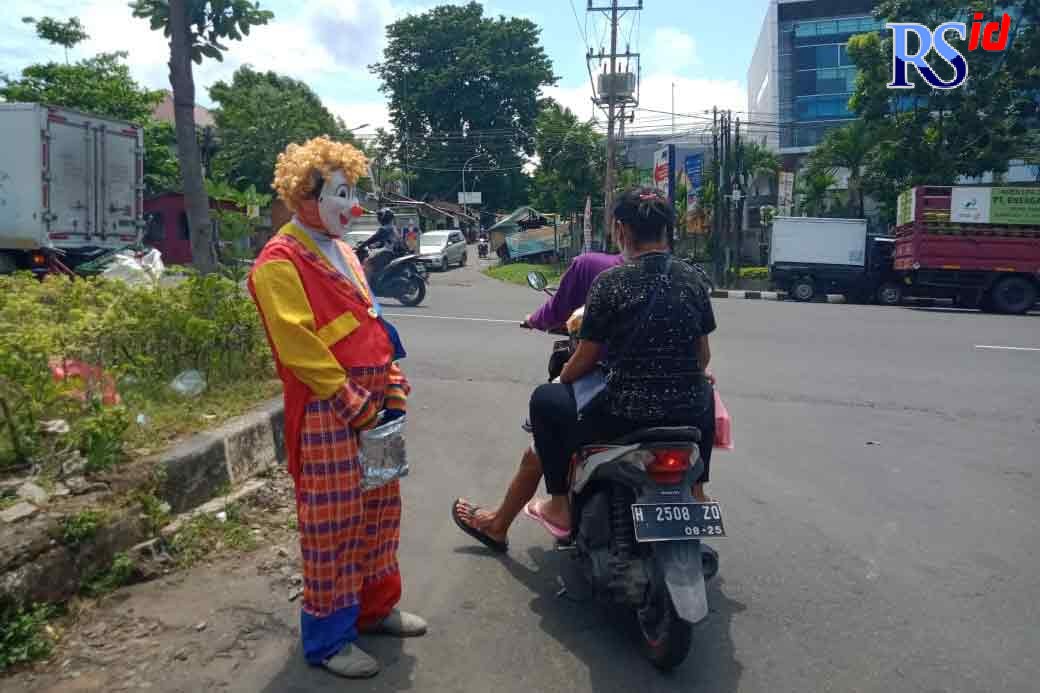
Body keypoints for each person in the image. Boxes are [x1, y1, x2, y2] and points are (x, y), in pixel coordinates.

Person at [248, 136, 426, 680]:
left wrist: (392, 383)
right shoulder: (277, 263)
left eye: (352, 192)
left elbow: (372, 322)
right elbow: (301, 349)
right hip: (330, 411)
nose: (353, 207)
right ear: (305, 195)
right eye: (340, 194)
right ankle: (328, 639)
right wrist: (357, 405)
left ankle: (375, 609)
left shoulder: (344, 249)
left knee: (380, 513)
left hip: (377, 406)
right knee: (333, 526)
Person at [453, 188, 717, 550]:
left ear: (622, 229)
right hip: (685, 413)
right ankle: (698, 492)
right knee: (704, 387)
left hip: (622, 415)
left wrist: (562, 379)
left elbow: (586, 357)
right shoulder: (693, 280)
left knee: (546, 399)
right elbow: (702, 357)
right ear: (666, 230)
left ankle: (560, 504)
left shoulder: (610, 282)